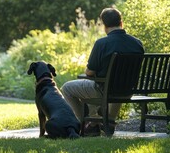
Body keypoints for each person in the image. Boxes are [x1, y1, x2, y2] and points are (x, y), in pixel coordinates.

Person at [61, 7, 144, 136]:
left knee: (67, 88)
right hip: (128, 91)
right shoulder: (137, 43)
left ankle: (89, 123)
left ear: (104, 26)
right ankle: (108, 121)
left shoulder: (102, 43)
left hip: (105, 90)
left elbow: (89, 72)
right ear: (121, 23)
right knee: (117, 84)